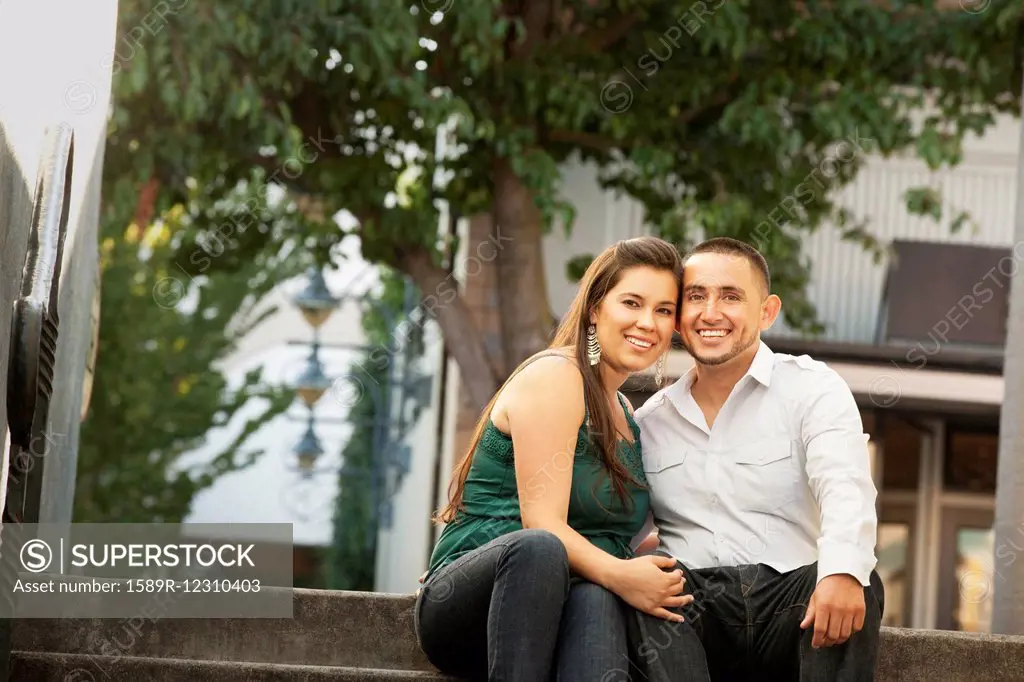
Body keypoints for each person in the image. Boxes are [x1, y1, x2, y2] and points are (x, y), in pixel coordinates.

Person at [414, 236, 701, 682]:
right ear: (595, 309)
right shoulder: (557, 376)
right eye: (632, 303)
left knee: (595, 594)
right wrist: (625, 576)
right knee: (543, 549)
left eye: (664, 310)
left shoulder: (626, 412)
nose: (648, 322)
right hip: (473, 607)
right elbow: (542, 523)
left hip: (570, 602)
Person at [629, 237, 885, 681]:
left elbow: (845, 487)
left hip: (795, 606)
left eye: (730, 296)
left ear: (766, 311)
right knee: (648, 589)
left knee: (857, 576)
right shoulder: (650, 421)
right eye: (696, 297)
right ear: (677, 316)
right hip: (692, 612)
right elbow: (620, 526)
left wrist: (842, 571)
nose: (711, 312)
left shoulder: (812, 388)